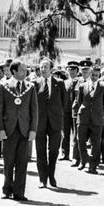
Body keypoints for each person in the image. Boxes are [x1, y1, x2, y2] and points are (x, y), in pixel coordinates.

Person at [0, 60, 38, 201]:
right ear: (13, 71)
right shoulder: (3, 85)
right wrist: (0, 129)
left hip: (24, 130)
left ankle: (19, 192)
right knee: (8, 161)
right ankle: (7, 189)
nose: (25, 72)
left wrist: (33, 130)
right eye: (22, 70)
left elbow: (34, 111)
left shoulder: (30, 87)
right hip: (9, 129)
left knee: (22, 162)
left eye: (25, 70)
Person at [33, 58, 66, 188]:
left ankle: (51, 176)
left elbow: (64, 103)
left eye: (45, 67)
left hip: (55, 123)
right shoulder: (34, 83)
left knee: (53, 151)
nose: (43, 69)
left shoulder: (59, 83)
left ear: (51, 69)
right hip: (40, 123)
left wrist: (59, 118)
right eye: (41, 67)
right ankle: (42, 179)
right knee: (40, 151)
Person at [74, 66, 104, 174]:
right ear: (89, 74)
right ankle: (83, 161)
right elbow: (79, 101)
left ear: (99, 76)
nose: (94, 77)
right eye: (92, 75)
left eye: (96, 75)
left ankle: (92, 166)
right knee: (81, 141)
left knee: (96, 143)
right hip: (83, 117)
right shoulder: (82, 86)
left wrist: (97, 111)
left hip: (97, 119)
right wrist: (86, 110)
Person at [60, 61, 79, 161]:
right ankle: (65, 154)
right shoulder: (64, 83)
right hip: (66, 111)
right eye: (69, 70)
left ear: (77, 71)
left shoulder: (80, 82)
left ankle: (76, 156)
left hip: (75, 112)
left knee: (76, 134)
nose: (71, 72)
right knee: (65, 134)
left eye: (73, 70)